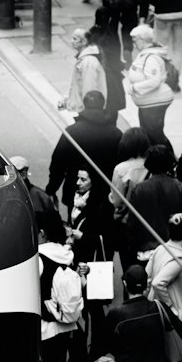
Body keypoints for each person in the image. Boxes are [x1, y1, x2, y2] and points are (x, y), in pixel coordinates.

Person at [46, 90, 123, 229]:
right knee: (102, 236)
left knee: (77, 233)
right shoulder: (116, 134)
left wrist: (51, 189)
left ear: (84, 104)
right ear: (103, 105)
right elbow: (121, 167)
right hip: (104, 195)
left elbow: (58, 163)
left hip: (76, 192)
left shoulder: (72, 132)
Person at [39, 236, 84, 362]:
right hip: (67, 325)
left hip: (46, 326)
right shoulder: (67, 255)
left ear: (42, 232)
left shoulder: (38, 258)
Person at [118, 143, 182, 268]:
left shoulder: (140, 189)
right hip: (173, 251)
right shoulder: (180, 188)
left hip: (146, 250)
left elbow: (132, 223)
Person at [145, 211, 182, 349]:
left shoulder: (160, 249)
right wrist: (171, 307)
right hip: (178, 316)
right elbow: (158, 282)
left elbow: (147, 277)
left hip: (157, 312)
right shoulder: (179, 258)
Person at [125, 23, 173, 142]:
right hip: (150, 103)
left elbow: (154, 81)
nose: (134, 44)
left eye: (135, 41)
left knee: (154, 134)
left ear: (142, 39)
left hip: (154, 103)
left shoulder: (151, 57)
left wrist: (134, 88)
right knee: (151, 133)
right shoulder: (147, 54)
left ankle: (167, 158)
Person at [109, 126, 150, 246]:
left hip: (127, 221)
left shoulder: (121, 169)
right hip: (148, 221)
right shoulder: (151, 164)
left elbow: (117, 201)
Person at [10, 156, 66, 243]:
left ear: (24, 174)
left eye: (12, 173)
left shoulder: (40, 196)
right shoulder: (7, 192)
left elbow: (54, 222)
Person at [59, 27, 107, 117]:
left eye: (75, 39)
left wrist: (87, 113)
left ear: (84, 42)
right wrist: (67, 100)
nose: (71, 41)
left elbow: (89, 90)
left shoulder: (88, 63)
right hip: (83, 109)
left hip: (87, 112)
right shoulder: (84, 59)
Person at [92, 9, 127, 121]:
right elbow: (115, 58)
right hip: (112, 77)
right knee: (112, 109)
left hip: (96, 77)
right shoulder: (112, 36)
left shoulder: (92, 34)